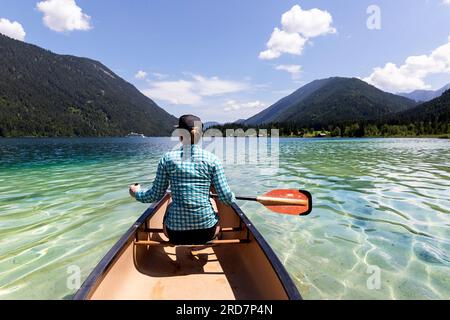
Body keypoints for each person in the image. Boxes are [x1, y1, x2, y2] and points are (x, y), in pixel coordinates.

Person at [129, 114, 235, 244]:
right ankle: (210, 237)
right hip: (207, 232)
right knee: (212, 201)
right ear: (200, 135)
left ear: (179, 134)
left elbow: (155, 196)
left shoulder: (167, 159)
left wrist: (136, 193)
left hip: (175, 234)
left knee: (171, 200)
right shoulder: (213, 160)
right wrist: (231, 196)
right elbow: (226, 199)